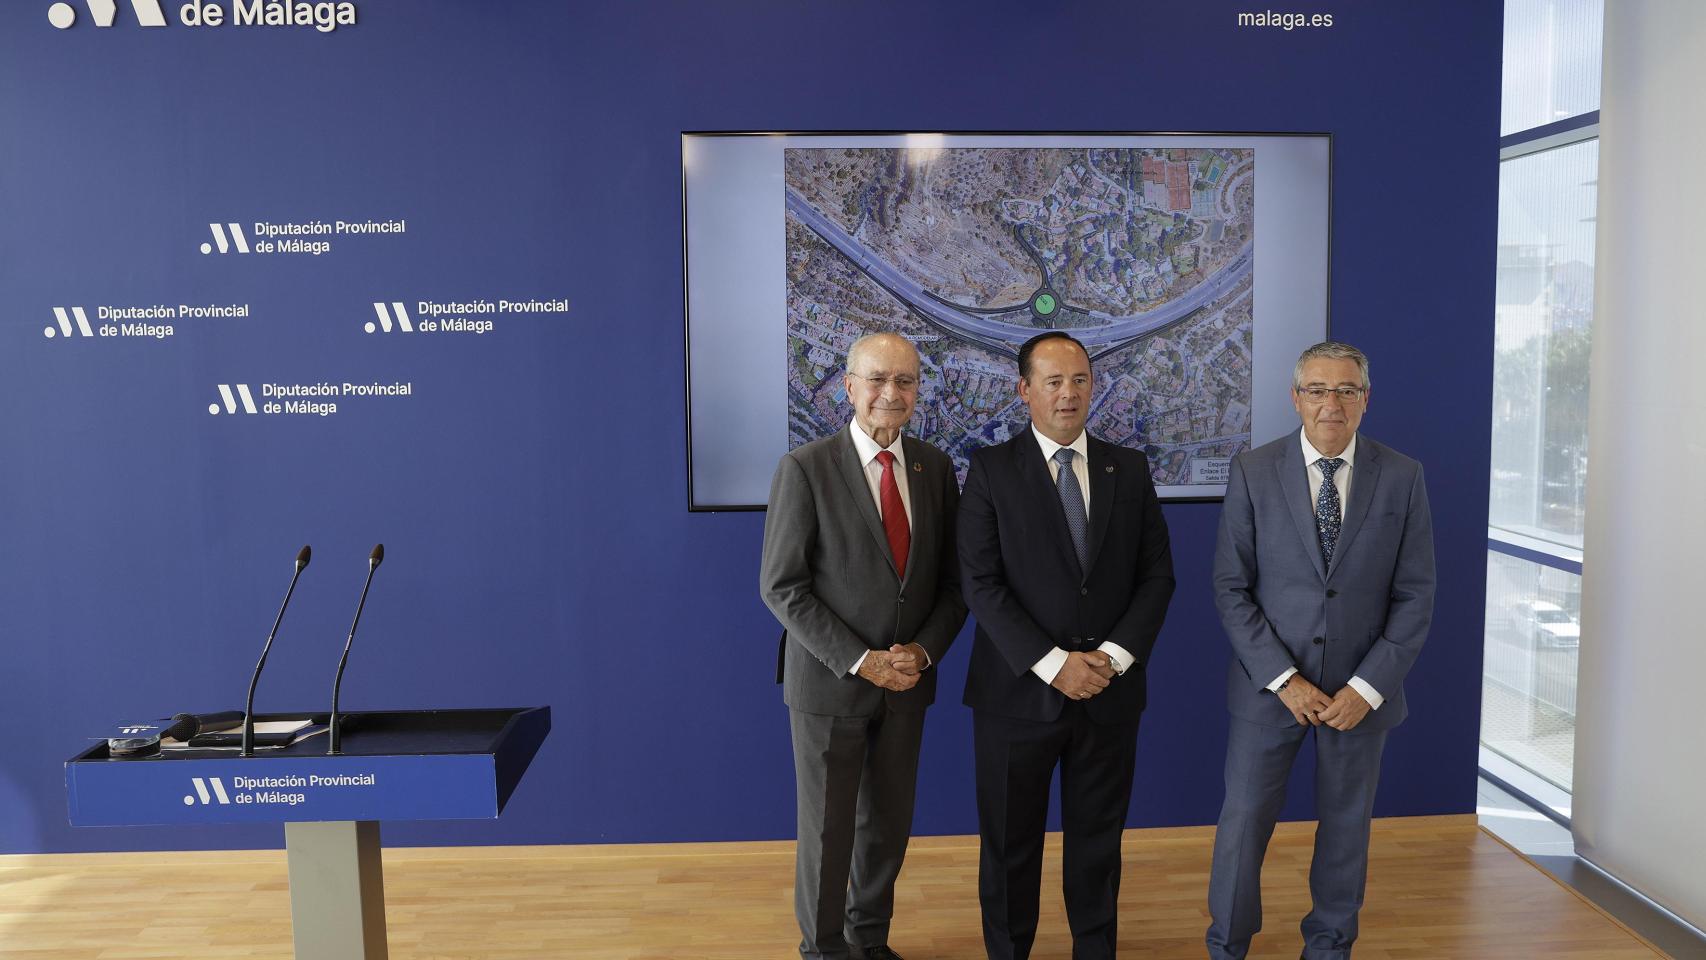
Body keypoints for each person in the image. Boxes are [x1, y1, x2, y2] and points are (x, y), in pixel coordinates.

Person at [1205, 341, 1435, 960]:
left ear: (1365, 399)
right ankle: (1227, 945)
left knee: (1345, 831)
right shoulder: (1253, 471)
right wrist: (1284, 679)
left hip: (1359, 698)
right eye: (1317, 390)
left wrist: (1366, 688)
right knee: (1244, 824)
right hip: (1271, 689)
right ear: (1295, 397)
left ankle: (1329, 947)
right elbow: (1231, 587)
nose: (1331, 403)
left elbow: (1416, 595)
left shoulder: (1403, 475)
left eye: (1346, 391)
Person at [958, 331, 1175, 960]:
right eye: (1053, 382)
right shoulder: (991, 471)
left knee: (1099, 843)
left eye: (1079, 379)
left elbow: (1156, 576)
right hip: (1015, 698)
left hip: (1108, 694)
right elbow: (981, 584)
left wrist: (1110, 659)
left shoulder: (1128, 469)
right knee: (1008, 845)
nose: (1068, 393)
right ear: (1024, 390)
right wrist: (1055, 666)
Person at [760, 331, 969, 960]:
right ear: (848, 387)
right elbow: (783, 587)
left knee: (887, 829)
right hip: (832, 686)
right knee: (827, 833)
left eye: (904, 381)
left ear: (917, 390)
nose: (890, 393)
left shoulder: (934, 469)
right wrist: (862, 659)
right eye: (876, 379)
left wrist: (923, 653)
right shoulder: (805, 468)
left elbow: (954, 586)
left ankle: (868, 943)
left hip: (906, 687)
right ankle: (824, 950)